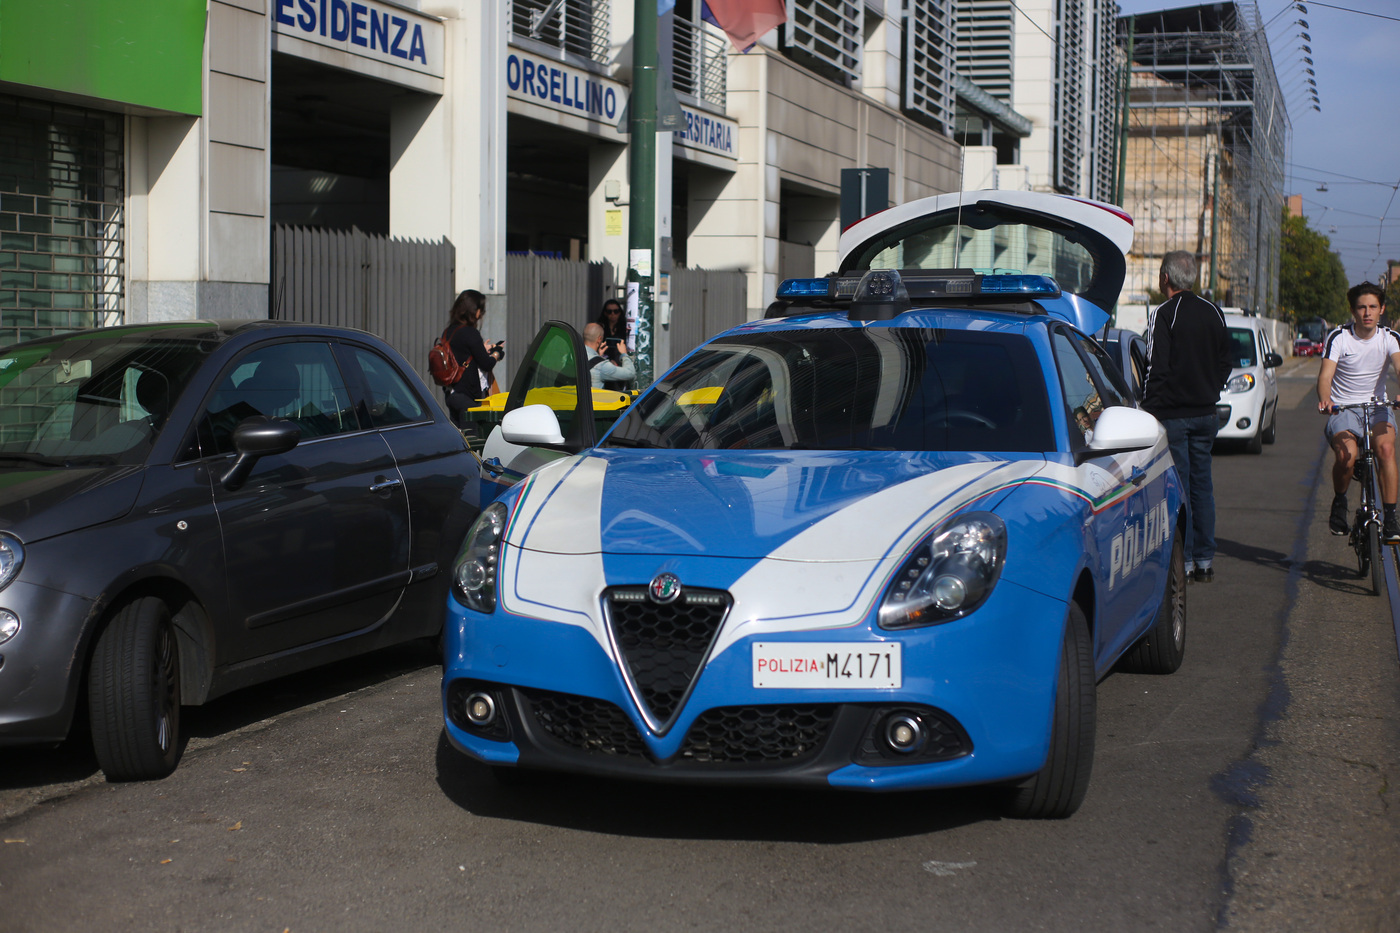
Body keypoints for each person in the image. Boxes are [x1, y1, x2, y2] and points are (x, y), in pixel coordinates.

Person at [1142, 250, 1234, 583]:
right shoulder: (1214, 312)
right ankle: (1205, 560)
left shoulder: (1163, 314)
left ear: (1165, 278)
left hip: (1174, 416)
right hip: (1206, 414)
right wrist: (1211, 389)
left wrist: (1148, 409)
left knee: (1178, 489)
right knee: (1202, 486)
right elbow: (1226, 362)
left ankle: (1186, 560)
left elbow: (1155, 368)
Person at [1317, 282, 1400, 543]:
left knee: (1386, 449)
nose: (1367, 313)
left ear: (1381, 309)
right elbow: (1325, 376)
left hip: (1377, 408)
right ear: (1353, 311)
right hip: (1343, 408)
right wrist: (1326, 400)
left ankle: (1391, 517)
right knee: (1347, 456)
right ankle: (1340, 501)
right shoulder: (1339, 337)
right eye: (1362, 307)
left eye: (1373, 307)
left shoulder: (1390, 338)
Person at [441, 289, 503, 425]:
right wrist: (496, 354)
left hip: (451, 395)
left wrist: (482, 349)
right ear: (476, 311)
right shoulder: (470, 333)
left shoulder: (448, 331)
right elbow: (486, 364)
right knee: (472, 435)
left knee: (460, 435)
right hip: (467, 397)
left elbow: (462, 353)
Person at [583, 322, 635, 389]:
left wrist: (598, 357)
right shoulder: (601, 365)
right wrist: (624, 354)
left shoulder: (572, 355)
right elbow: (630, 373)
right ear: (599, 339)